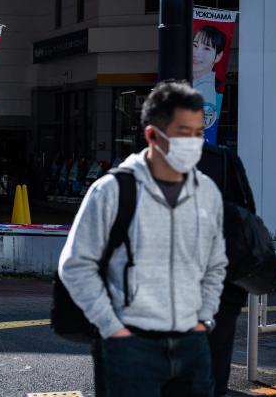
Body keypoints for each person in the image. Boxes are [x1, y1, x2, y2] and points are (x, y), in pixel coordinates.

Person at [58, 80, 227, 396]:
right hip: (131, 346)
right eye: (183, 133)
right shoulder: (113, 190)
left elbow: (216, 263)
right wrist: (113, 328)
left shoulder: (207, 192)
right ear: (153, 135)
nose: (194, 143)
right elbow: (76, 265)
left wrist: (203, 318)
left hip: (192, 344)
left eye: (198, 133)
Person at [198, 143, 256, 397]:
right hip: (220, 292)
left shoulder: (142, 166)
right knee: (212, 377)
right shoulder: (222, 160)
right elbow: (248, 217)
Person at [192, 26, 226, 127]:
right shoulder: (195, 84)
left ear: (218, 56)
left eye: (206, 48)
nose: (196, 53)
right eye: (195, 45)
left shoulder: (205, 88)